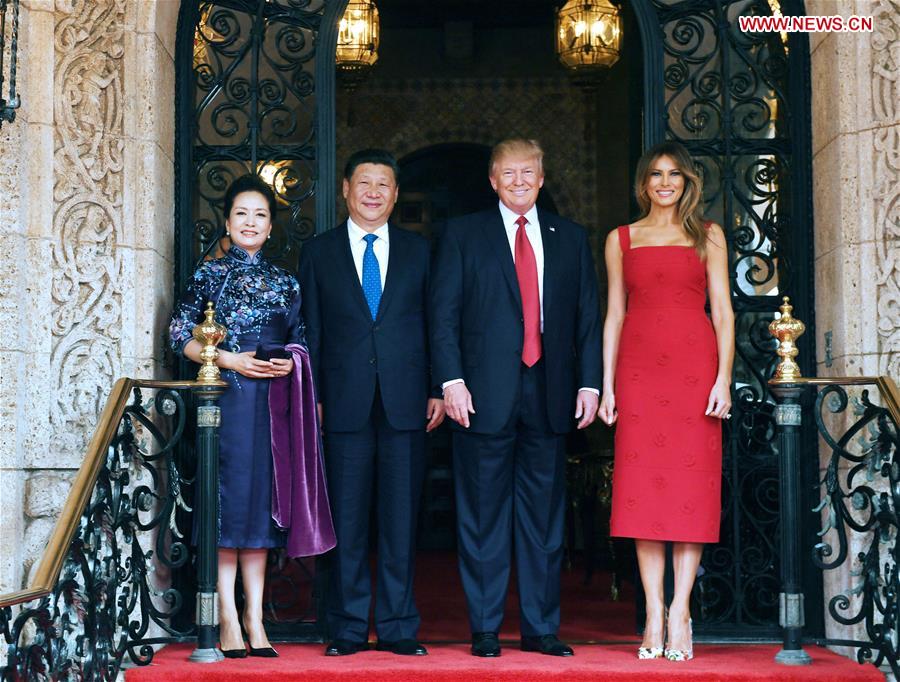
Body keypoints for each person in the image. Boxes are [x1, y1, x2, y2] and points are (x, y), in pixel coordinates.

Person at [430, 138, 602, 658]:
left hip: (550, 392)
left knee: (544, 520)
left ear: (543, 178)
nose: (520, 181)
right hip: (480, 395)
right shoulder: (463, 234)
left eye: (529, 172)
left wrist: (590, 383)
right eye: (509, 173)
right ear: (492, 179)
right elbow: (443, 315)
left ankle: (540, 627)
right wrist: (451, 381)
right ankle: (484, 627)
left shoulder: (570, 238)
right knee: (481, 515)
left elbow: (588, 318)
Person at [169, 174, 334, 659]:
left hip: (273, 407)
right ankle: (225, 617)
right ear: (227, 219)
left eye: (260, 215)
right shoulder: (207, 276)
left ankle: (255, 617)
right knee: (228, 506)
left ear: (270, 226)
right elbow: (180, 336)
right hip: (224, 404)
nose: (250, 222)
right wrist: (229, 360)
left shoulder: (286, 281)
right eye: (242, 213)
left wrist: (292, 360)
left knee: (261, 509)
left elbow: (302, 338)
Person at [299, 149, 445, 657]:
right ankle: (346, 627)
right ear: (345, 188)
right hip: (342, 403)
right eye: (365, 182)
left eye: (384, 184)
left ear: (396, 193)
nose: (374, 192)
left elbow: (435, 325)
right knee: (349, 520)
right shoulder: (318, 252)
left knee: (401, 520)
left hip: (407, 402)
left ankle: (401, 625)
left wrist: (437, 388)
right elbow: (312, 330)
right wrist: (312, 395)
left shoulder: (420, 250)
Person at [599, 141, 735, 662]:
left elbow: (723, 312)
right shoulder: (621, 239)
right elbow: (614, 314)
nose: (664, 182)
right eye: (655, 174)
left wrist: (723, 379)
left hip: (694, 375)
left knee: (688, 492)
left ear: (687, 181)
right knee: (643, 492)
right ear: (643, 182)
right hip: (638, 376)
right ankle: (652, 611)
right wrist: (608, 385)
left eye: (674, 174)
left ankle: (682, 610)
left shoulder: (709, 236)